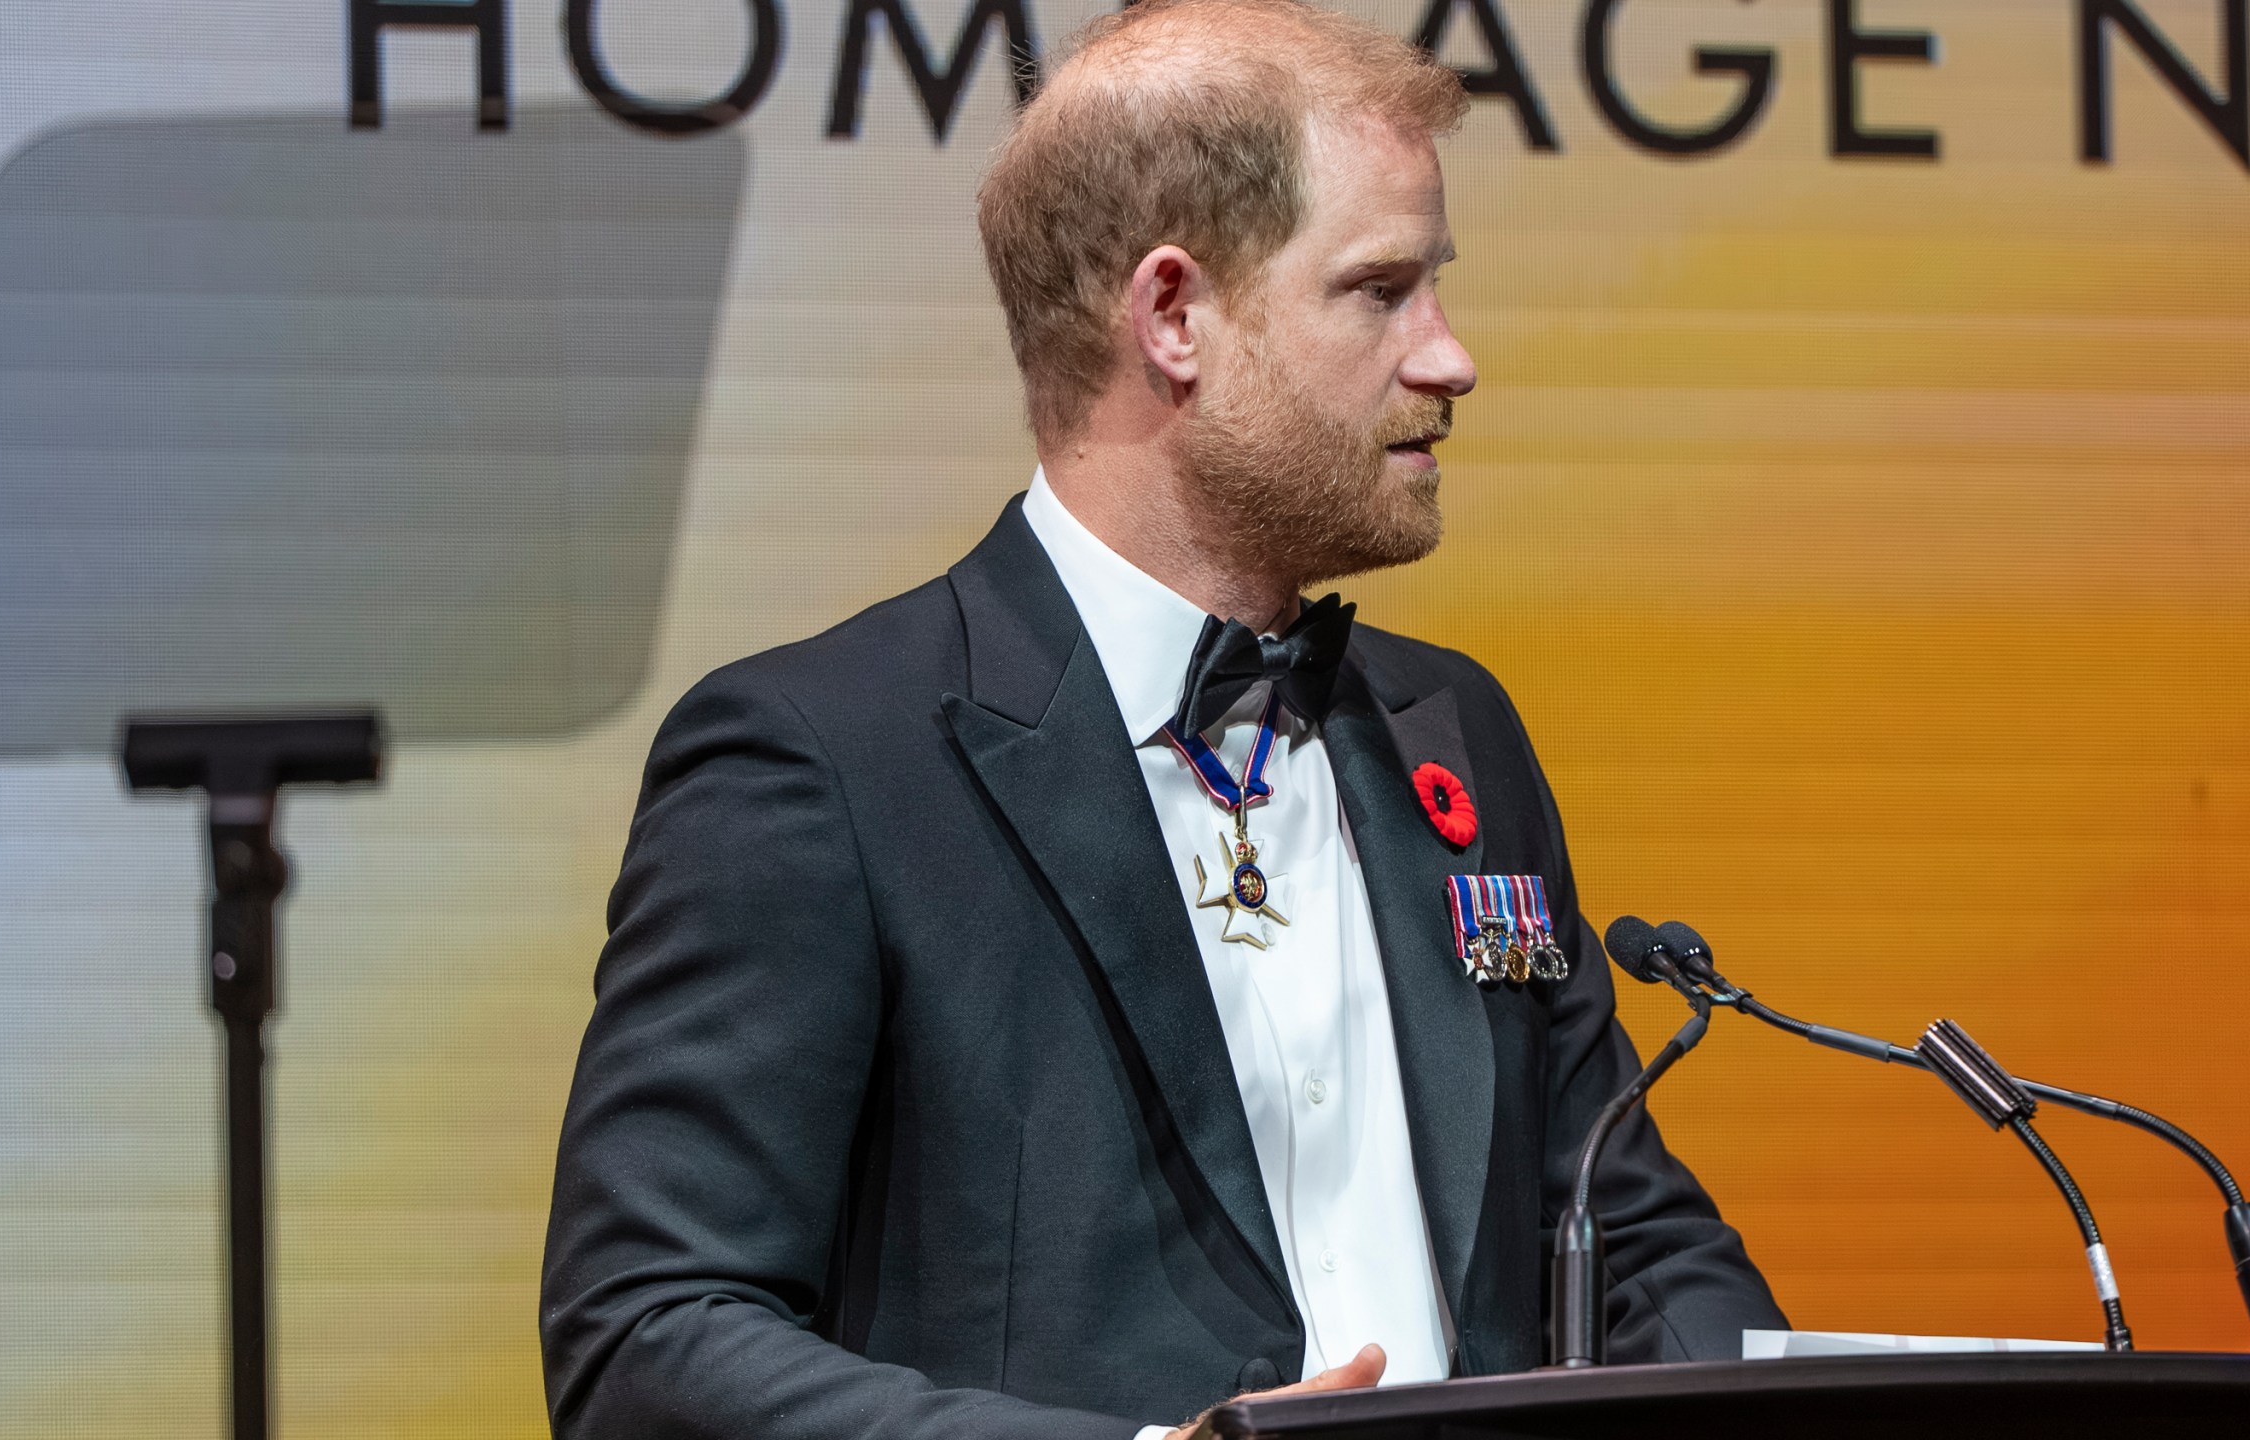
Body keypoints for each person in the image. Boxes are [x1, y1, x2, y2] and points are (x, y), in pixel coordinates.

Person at [538, 2, 1784, 1436]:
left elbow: (1636, 1241)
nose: (1451, 359)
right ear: (1174, 316)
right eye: (1382, 292)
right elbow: (648, 1337)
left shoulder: (1459, 732)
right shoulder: (825, 760)